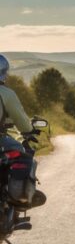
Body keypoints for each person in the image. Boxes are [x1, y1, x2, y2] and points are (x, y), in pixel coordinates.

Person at [0, 54, 45, 210]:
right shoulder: (5, 93)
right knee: (20, 152)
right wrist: (29, 130)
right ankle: (18, 201)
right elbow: (21, 120)